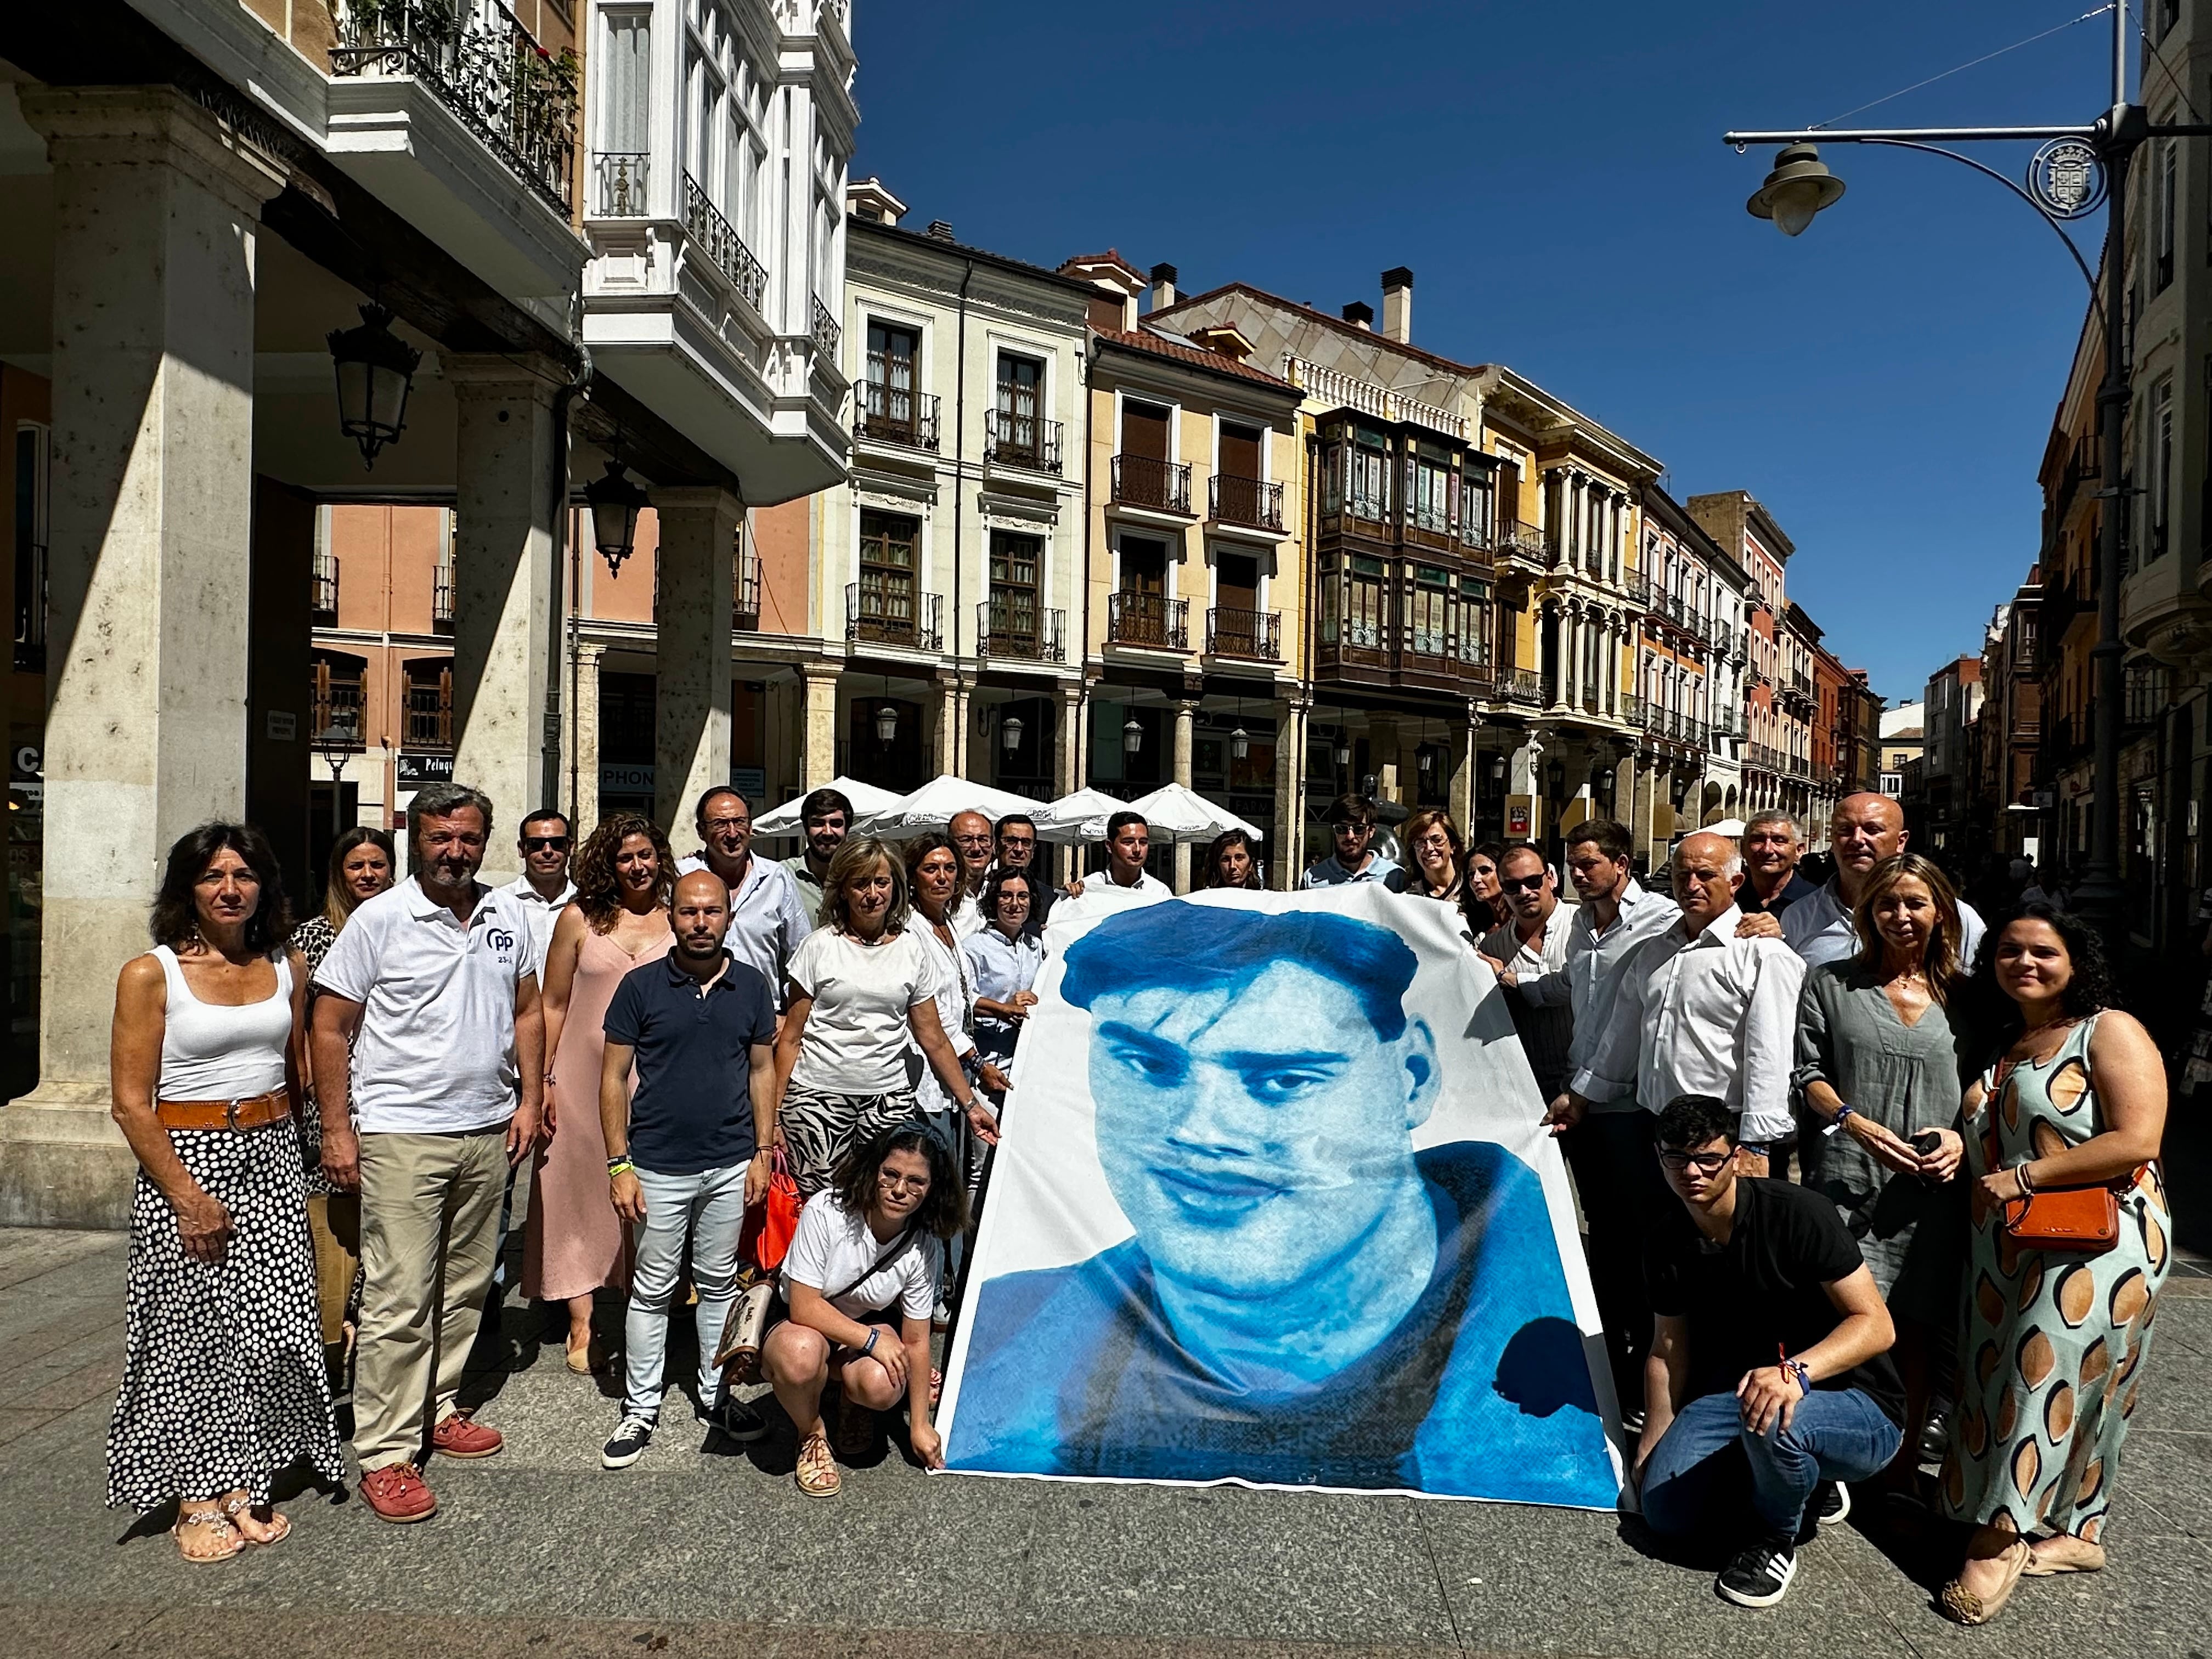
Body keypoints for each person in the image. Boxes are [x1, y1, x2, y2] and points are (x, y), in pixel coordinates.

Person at [949, 900, 1615, 1503]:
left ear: (1411, 1077)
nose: (1201, 1131)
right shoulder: (1005, 1334)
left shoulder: (1557, 1337)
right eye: (1149, 1066)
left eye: (1284, 1078)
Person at [106, 823, 344, 1561]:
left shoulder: (286, 963)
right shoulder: (152, 974)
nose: (230, 889)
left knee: (275, 1328)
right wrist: (185, 1195)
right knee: (192, 1336)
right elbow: (129, 1102)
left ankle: (245, 1475)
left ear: (264, 888)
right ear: (189, 890)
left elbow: (297, 1065)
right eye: (213, 877)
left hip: (271, 1154)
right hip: (190, 1157)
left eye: (243, 876)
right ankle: (196, 1497)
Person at [311, 781, 545, 1525]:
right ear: (418, 838)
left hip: (485, 1129)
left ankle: (437, 1407)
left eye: (469, 838)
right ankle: (385, 1450)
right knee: (399, 1294)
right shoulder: (381, 919)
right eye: (442, 838)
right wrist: (337, 1129)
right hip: (402, 1132)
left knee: (468, 1285)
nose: (456, 851)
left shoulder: (507, 914)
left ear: (486, 841)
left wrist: (532, 1098)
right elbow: (328, 1026)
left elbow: (530, 1008)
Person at [1934, 905, 2172, 1626]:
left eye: (2044, 951)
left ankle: (2001, 1537)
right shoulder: (2010, 1040)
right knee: (2064, 1377)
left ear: (2077, 961)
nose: (2025, 963)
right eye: (2009, 951)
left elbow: (2139, 1138)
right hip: (2013, 1239)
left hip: (2103, 1236)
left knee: (2044, 1364)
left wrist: (2030, 1178)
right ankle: (2079, 1531)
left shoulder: (2110, 1030)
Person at [1635, 1094, 1904, 1610]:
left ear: (1735, 1157)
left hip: (1859, 1404)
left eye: (1708, 1158)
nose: (1692, 1172)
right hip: (1743, 1394)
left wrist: (1796, 1374)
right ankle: (1795, 1478)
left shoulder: (1801, 1214)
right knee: (1664, 1512)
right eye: (1676, 1158)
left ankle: (1774, 1537)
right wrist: (1651, 1446)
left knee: (1776, 1421)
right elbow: (1668, 1352)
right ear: (1659, 1157)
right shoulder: (1666, 1238)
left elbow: (1876, 1326)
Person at [1793, 852, 1970, 1479]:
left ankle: (1897, 1471)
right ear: (1868, 914)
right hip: (1848, 1177)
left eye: (1916, 903)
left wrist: (1960, 1138)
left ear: (1941, 912)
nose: (1901, 916)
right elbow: (1806, 1072)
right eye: (1886, 904)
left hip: (1933, 1191)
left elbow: (1990, 1087)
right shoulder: (1833, 983)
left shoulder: (1967, 995)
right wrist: (1851, 1121)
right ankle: (1832, 1457)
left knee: (1917, 1332)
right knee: (1845, 1322)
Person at [1493, 818, 1680, 1409]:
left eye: (1589, 864)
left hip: (1627, 1103)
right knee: (1605, 1226)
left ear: (1622, 864)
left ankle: (1654, 1352)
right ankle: (1616, 1345)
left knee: (1641, 1230)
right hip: (1586, 1097)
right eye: (1572, 864)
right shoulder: (1578, 923)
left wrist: (1756, 924)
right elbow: (1569, 987)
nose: (1578, 873)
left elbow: (1629, 1022)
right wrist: (1510, 983)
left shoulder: (1661, 922)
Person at [597, 871, 780, 1469]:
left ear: (729, 916)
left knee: (720, 1285)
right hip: (657, 1163)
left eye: (712, 912)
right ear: (672, 917)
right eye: (689, 913)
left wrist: (761, 1151)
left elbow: (762, 1071)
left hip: (730, 1162)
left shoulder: (753, 986)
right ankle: (640, 1408)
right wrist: (619, 1163)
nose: (700, 923)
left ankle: (715, 1395)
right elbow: (613, 1079)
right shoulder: (640, 986)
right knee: (651, 1290)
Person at [1559, 831, 1807, 1176]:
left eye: (1705, 875)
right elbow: (1622, 1038)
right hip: (1657, 1128)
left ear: (1735, 881)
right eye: (1681, 875)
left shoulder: (1763, 954)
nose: (1691, 886)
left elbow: (1770, 1054)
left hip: (1724, 1136)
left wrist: (1756, 1143)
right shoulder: (1654, 953)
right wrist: (1580, 1096)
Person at [775, 836, 1000, 1197]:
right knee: (822, 1206)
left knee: (883, 1204)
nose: (872, 893)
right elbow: (791, 1037)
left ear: (896, 887)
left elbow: (934, 1038)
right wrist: (773, 1115)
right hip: (818, 1098)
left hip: (887, 1099)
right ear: (844, 890)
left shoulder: (912, 948)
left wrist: (970, 1105)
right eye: (861, 883)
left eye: (882, 882)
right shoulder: (817, 946)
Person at [529, 813, 674, 1374]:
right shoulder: (578, 919)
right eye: (624, 857)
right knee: (572, 1190)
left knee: (648, 1190)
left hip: (657, 1076)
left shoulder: (677, 916)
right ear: (606, 865)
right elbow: (553, 1004)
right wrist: (539, 1080)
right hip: (579, 1074)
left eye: (645, 855)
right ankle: (581, 1319)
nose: (637, 866)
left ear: (660, 857)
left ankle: (643, 1303)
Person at [763, 1127, 966, 1497]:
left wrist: (919, 1425)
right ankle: (811, 1433)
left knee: (882, 1384)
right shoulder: (827, 1210)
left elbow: (918, 1339)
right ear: (874, 1170)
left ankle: (848, 1396)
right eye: (891, 1173)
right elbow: (805, 1305)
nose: (900, 1189)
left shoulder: (924, 1244)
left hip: (866, 1323)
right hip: (802, 1322)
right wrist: (872, 1341)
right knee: (800, 1356)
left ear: (933, 1188)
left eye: (916, 1181)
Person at [292, 826, 396, 1367]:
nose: (367, 875)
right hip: (331, 1093)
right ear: (339, 874)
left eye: (377, 865)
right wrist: (309, 1078)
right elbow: (301, 1021)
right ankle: (337, 1325)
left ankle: (366, 1318)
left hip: (387, 1087)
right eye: (356, 866)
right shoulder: (311, 938)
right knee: (334, 1213)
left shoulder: (403, 927)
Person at [1778, 793, 1986, 968]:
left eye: (1873, 830)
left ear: (1901, 841)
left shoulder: (1955, 916)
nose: (1858, 839)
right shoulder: (1799, 917)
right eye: (1845, 830)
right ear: (1833, 839)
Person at [904, 833, 1008, 1178]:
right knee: (930, 1171)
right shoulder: (910, 929)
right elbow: (937, 1013)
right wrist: (977, 1063)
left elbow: (963, 994)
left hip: (957, 1070)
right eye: (931, 868)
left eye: (950, 868)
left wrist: (1003, 1008)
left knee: (955, 1174)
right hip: (926, 1069)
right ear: (913, 876)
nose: (942, 876)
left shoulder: (945, 922)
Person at [677, 787, 810, 1011]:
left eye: (739, 822)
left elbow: (803, 955)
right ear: (701, 831)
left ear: (750, 827)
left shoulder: (776, 878)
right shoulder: (681, 877)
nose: (732, 833)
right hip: (692, 1014)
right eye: (720, 824)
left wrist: (790, 1017)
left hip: (761, 1018)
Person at [1479, 843, 1574, 1102]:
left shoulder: (1583, 927)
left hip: (1589, 1088)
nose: (1524, 892)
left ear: (1551, 878)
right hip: (1527, 1090)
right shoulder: (1491, 949)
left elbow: (1574, 986)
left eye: (1533, 881)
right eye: (1512, 886)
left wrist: (1507, 979)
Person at [963, 867, 1045, 1090]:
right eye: (1006, 895)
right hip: (988, 1066)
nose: (1014, 903)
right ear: (994, 900)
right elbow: (963, 1001)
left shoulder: (1038, 947)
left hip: (1030, 1063)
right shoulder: (973, 948)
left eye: (1022, 896)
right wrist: (1003, 1009)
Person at [501, 808, 577, 967]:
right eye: (536, 844)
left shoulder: (588, 905)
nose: (548, 851)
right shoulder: (500, 906)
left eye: (557, 843)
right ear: (522, 849)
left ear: (570, 847)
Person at [1301, 793, 1408, 889]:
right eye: (1342, 829)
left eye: (1359, 829)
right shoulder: (1311, 879)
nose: (1350, 836)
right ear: (1333, 831)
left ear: (1371, 831)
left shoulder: (1395, 877)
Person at [782, 787, 853, 929]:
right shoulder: (782, 877)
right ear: (805, 827)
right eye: (818, 824)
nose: (827, 832)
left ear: (848, 828)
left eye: (836, 824)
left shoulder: (862, 877)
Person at [1739, 811, 1819, 918]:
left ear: (1799, 851)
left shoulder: (1815, 901)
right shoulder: (1728, 898)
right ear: (1743, 849)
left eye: (1779, 841)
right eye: (1758, 840)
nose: (1767, 850)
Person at [1077, 811, 1170, 897]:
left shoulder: (1160, 893)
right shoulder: (1087, 888)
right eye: (1128, 842)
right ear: (1110, 846)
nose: (1137, 849)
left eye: (1143, 842)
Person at [990, 812, 1058, 926]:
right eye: (1011, 841)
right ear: (996, 846)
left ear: (1033, 851)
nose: (1019, 849)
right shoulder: (978, 889)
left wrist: (1074, 895)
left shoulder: (1048, 897)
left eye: (1026, 843)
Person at [947, 809, 997, 938]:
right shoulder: (941, 893)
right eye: (966, 840)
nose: (976, 848)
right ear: (950, 844)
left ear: (993, 845)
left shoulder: (999, 890)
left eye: (983, 839)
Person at [1403, 809, 1465, 902]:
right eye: (1420, 843)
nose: (1429, 848)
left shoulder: (1470, 891)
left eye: (1437, 840)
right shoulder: (1410, 900)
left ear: (1452, 845)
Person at [1462, 840, 1510, 934]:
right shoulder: (1473, 925)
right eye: (1471, 874)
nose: (1476, 879)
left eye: (1484, 871)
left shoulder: (1524, 921)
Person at [1201, 826, 1265, 890]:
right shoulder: (1204, 898)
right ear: (1217, 864)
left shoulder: (1264, 899)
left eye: (1239, 858)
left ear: (1251, 864)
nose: (1232, 866)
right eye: (1225, 860)